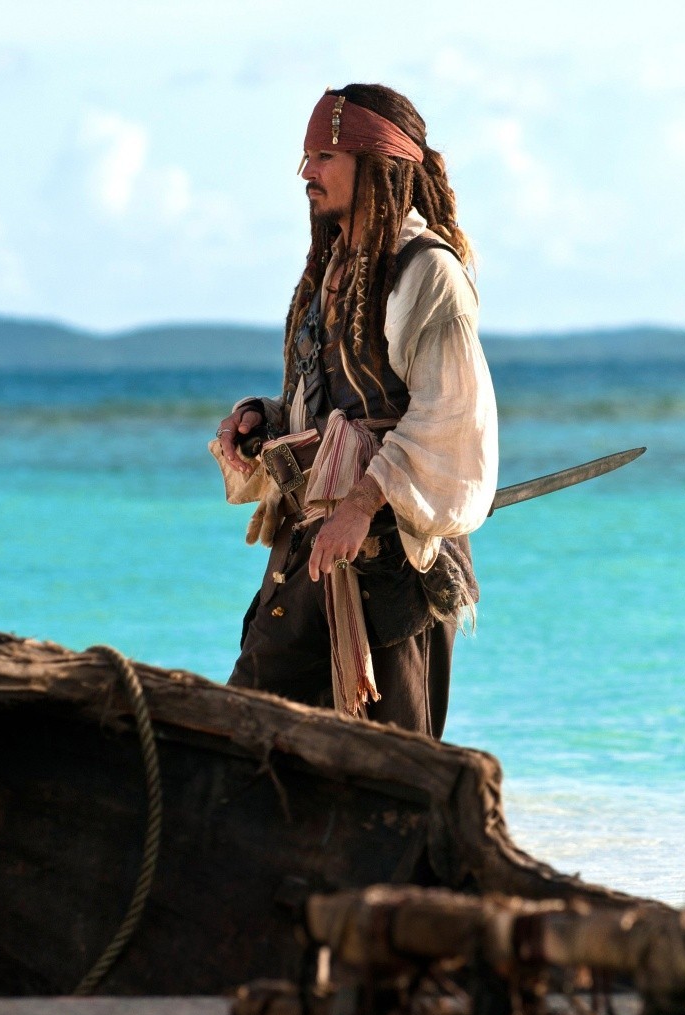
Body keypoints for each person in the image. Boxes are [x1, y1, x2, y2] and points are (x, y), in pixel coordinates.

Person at [213, 84, 496, 738]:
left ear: (376, 164)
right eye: (307, 156)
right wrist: (264, 418)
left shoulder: (427, 272)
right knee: (253, 730)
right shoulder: (332, 266)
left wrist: (363, 504)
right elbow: (334, 401)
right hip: (314, 547)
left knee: (391, 761)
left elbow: (453, 416)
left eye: (324, 156)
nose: (306, 173)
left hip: (394, 563)